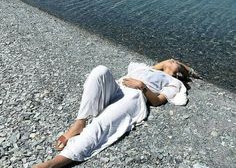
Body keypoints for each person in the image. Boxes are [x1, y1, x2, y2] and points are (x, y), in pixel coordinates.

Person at [33, 59, 200, 168]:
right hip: (117, 87)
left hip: (135, 96)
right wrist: (161, 65)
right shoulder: (144, 67)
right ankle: (80, 121)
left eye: (175, 62)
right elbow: (152, 65)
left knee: (101, 125)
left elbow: (157, 101)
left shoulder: (174, 83)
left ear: (179, 71)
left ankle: (55, 163)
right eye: (168, 59)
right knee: (100, 70)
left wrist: (142, 86)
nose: (171, 60)